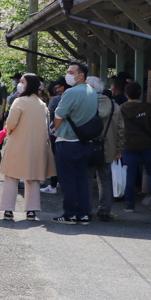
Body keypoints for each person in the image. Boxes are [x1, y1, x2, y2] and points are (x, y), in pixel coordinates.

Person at [0, 73, 56, 221]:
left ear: (28, 84)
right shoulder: (42, 104)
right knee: (33, 177)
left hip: (18, 142)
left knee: (11, 176)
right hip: (37, 145)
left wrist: (8, 132)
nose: (20, 84)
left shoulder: (19, 102)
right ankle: (32, 210)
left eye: (23, 81)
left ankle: (8, 210)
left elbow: (11, 123)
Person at [52, 60, 99, 224]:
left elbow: (59, 115)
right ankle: (83, 214)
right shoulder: (92, 91)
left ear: (81, 75)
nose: (68, 75)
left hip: (68, 140)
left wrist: (54, 129)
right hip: (86, 142)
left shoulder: (71, 93)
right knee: (82, 180)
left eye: (71, 72)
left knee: (67, 180)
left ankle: (69, 214)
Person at [86, 76, 124, 222]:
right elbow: (121, 130)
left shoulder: (87, 105)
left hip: (88, 145)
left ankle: (87, 209)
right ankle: (104, 211)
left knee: (87, 178)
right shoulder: (115, 106)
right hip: (108, 147)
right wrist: (118, 148)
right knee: (105, 179)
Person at [119, 81, 151, 213]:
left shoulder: (121, 108)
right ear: (141, 93)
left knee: (129, 175)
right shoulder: (147, 107)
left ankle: (129, 204)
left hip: (128, 145)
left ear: (126, 94)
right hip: (146, 145)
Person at [40, 78, 67, 194]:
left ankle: (53, 185)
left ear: (62, 87)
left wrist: (49, 130)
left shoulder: (56, 100)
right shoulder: (73, 98)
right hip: (69, 133)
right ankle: (63, 182)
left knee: (55, 158)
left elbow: (49, 117)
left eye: (57, 85)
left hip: (55, 132)